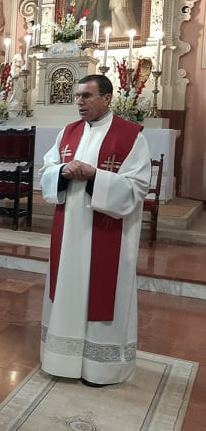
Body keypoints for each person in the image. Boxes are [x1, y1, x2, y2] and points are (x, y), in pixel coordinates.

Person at [40, 74, 150, 386]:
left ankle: (100, 368)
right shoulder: (68, 133)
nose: (80, 102)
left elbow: (137, 187)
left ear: (107, 98)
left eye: (87, 96)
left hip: (107, 233)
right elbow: (46, 171)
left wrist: (95, 176)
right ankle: (62, 360)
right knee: (67, 287)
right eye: (77, 96)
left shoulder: (131, 136)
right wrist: (62, 171)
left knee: (103, 293)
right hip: (69, 231)